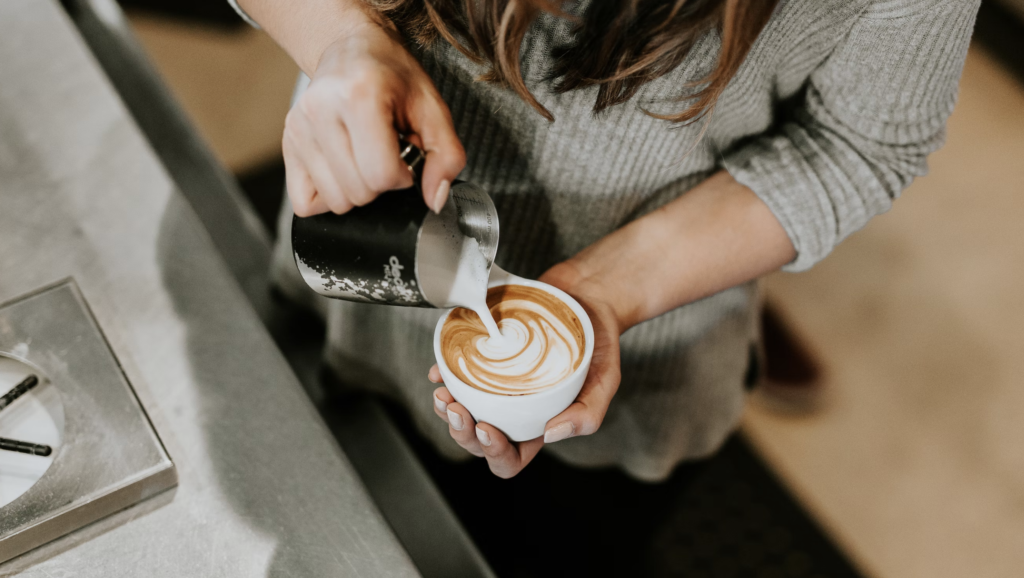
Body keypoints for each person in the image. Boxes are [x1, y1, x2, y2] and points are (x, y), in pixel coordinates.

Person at [230, 0, 978, 481]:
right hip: (367, 269)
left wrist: (611, 289)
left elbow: (860, 144)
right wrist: (337, 39)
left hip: (644, 366)